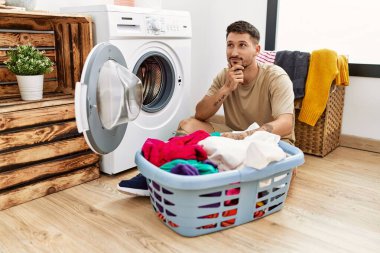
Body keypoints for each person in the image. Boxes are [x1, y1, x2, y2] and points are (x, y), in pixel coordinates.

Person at [117, 20, 295, 196]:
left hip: (270, 140)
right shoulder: (225, 76)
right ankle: (160, 173)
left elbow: (286, 123)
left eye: (242, 45)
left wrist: (244, 135)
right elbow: (200, 114)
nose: (234, 52)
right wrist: (226, 88)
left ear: (256, 50)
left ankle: (185, 178)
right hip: (234, 133)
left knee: (265, 169)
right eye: (230, 45)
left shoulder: (275, 77)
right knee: (188, 125)